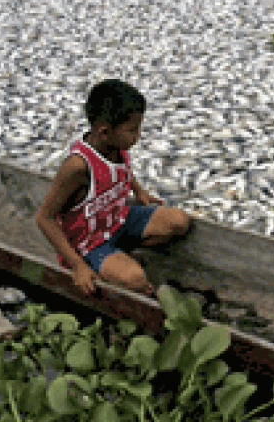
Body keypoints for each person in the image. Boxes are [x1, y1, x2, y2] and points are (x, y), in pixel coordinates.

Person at [35, 79, 192, 296]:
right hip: (87, 242)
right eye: (132, 130)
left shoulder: (117, 146)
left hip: (118, 219)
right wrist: (78, 266)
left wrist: (139, 192)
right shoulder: (77, 167)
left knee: (179, 222)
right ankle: (96, 268)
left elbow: (121, 169)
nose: (138, 136)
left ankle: (117, 255)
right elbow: (44, 218)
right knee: (136, 280)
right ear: (105, 132)